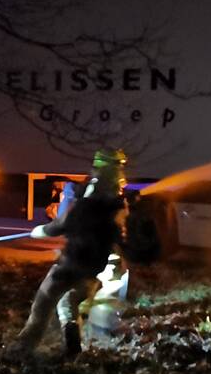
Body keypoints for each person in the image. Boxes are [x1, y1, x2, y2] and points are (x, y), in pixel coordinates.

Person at [12, 148, 129, 357]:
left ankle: (23, 348)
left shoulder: (92, 194)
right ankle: (73, 350)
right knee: (68, 303)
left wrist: (41, 231)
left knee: (43, 302)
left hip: (71, 264)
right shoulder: (118, 201)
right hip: (93, 267)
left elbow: (66, 222)